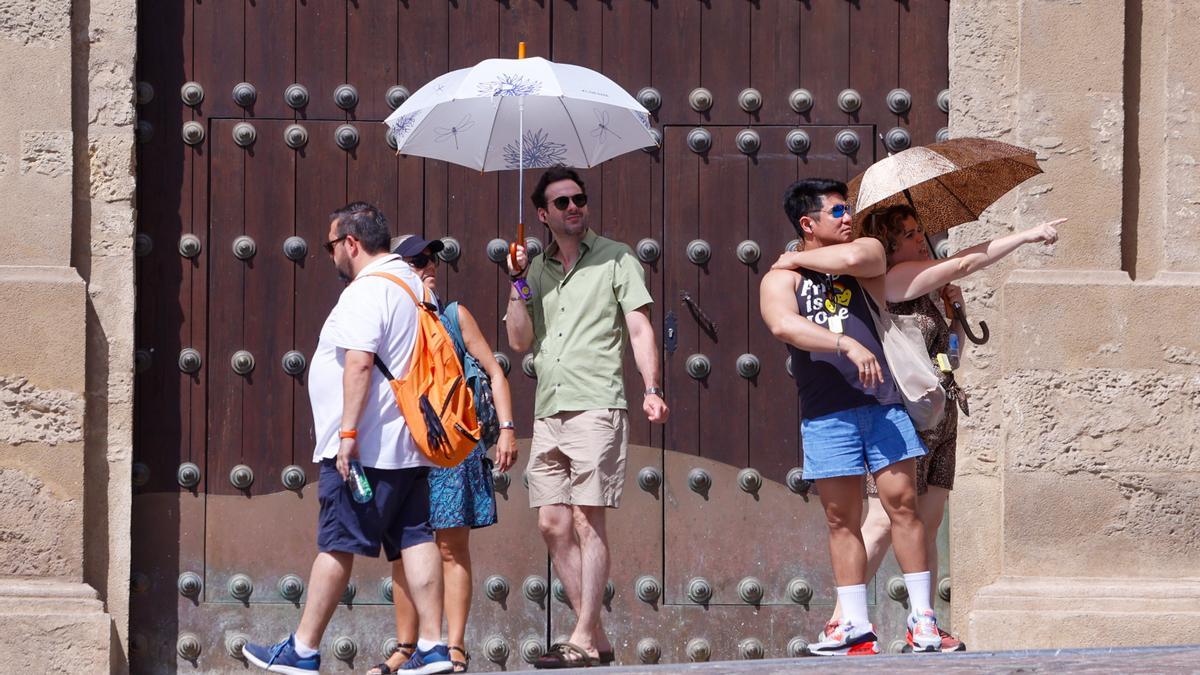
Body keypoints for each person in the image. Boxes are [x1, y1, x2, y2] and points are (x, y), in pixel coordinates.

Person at [772, 203, 1063, 653]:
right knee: (882, 523)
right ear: (888, 245)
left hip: (940, 414)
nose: (919, 240)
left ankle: (921, 621)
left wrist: (957, 313)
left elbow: (947, 355)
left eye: (919, 231)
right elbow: (967, 257)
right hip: (903, 416)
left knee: (926, 522)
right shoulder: (893, 279)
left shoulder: (927, 286)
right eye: (907, 234)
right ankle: (842, 619)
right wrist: (1025, 235)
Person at [242, 203, 453, 675]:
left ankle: (303, 648)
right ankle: (435, 646)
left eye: (330, 245)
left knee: (338, 542)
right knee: (416, 537)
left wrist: (348, 433)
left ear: (351, 244)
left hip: (367, 446)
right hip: (410, 444)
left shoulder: (368, 290)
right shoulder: (416, 287)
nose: (331, 254)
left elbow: (359, 362)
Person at [759, 179, 939, 656]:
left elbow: (867, 259)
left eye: (848, 210)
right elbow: (782, 324)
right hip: (827, 412)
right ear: (807, 222)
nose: (847, 218)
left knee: (903, 505)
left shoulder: (863, 254)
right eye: (837, 211)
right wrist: (843, 341)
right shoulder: (782, 279)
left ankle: (924, 622)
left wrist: (795, 255)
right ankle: (855, 624)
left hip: (882, 404)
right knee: (842, 518)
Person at [505, 166, 669, 668]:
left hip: (597, 402)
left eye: (579, 199)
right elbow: (518, 339)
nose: (574, 207)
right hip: (549, 407)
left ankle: (579, 635)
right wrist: (515, 280)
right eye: (562, 202)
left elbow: (639, 329)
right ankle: (594, 640)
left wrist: (652, 388)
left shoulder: (617, 258)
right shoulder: (535, 271)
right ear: (542, 214)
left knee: (586, 517)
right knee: (552, 524)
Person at [370, 235, 519, 674]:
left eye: (432, 258)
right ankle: (406, 646)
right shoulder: (388, 317)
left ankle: (453, 647)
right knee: (403, 549)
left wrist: (507, 430)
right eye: (417, 260)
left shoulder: (454, 315)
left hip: (453, 448)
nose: (429, 265)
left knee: (451, 548)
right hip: (402, 447)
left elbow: (494, 371)